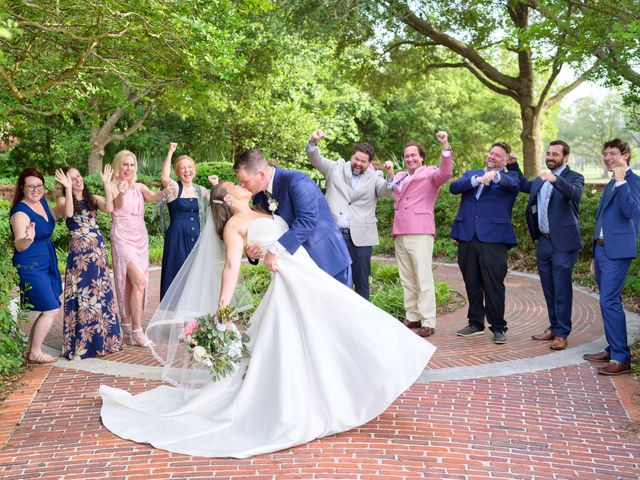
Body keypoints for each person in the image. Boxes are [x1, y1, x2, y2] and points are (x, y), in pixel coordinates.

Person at [99, 181, 434, 458]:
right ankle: (304, 405)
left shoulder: (263, 209)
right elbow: (230, 269)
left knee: (340, 325)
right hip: (292, 283)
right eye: (235, 186)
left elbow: (277, 240)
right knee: (316, 334)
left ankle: (359, 380)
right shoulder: (233, 226)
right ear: (228, 199)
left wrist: (257, 251)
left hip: (306, 273)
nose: (243, 186)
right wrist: (223, 314)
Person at [234, 148, 352, 286]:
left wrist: (274, 250)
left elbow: (307, 221)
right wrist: (253, 253)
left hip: (327, 259)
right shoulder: (259, 198)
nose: (241, 186)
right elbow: (267, 230)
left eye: (244, 181)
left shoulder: (297, 181)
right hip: (298, 268)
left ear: (260, 175)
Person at [507, 141, 584, 350]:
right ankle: (553, 327)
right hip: (544, 242)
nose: (550, 157)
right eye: (548, 153)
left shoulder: (574, 177)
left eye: (555, 154)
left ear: (565, 157)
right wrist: (513, 166)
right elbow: (525, 186)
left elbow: (575, 194)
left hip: (564, 243)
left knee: (561, 288)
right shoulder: (541, 179)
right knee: (549, 287)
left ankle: (562, 333)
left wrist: (555, 179)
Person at [306, 130, 393, 299]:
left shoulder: (375, 176)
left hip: (361, 238)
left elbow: (386, 191)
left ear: (369, 163)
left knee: (361, 282)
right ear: (351, 157)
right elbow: (315, 159)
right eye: (356, 159)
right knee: (333, 279)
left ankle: (361, 321)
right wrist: (313, 141)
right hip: (334, 234)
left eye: (363, 161)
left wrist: (390, 175)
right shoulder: (336, 167)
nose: (358, 163)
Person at [450, 142, 520, 344]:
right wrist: (476, 180)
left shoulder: (511, 177)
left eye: (498, 155)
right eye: (491, 153)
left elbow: (516, 185)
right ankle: (475, 323)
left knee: (493, 284)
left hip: (494, 238)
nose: (492, 157)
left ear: (505, 160)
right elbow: (454, 188)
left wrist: (496, 176)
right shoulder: (471, 174)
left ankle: (498, 326)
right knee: (471, 281)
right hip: (467, 235)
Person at [583, 139, 640, 376]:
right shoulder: (610, 183)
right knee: (607, 302)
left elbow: (633, 212)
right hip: (603, 250)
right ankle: (613, 347)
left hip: (618, 251)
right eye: (605, 154)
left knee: (609, 301)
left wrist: (620, 180)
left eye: (612, 153)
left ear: (625, 154)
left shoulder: (632, 181)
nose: (607, 158)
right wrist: (595, 254)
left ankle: (621, 358)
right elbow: (601, 220)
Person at [390, 132, 453, 338]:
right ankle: (413, 316)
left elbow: (445, 173)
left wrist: (445, 145)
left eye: (414, 155)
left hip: (420, 230)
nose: (410, 159)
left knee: (423, 277)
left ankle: (428, 321)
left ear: (421, 157)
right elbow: (390, 192)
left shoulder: (430, 173)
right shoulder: (399, 176)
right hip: (400, 230)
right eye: (407, 156)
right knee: (407, 278)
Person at [58, 165, 123, 360]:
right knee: (83, 294)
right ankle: (84, 344)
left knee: (99, 291)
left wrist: (106, 184)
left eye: (78, 176)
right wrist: (69, 189)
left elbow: (110, 208)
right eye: (72, 178)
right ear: (65, 183)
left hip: (97, 252)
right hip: (80, 255)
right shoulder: (63, 199)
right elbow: (69, 213)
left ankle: (105, 340)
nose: (77, 180)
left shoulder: (91, 198)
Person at [110, 150, 170, 348]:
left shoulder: (139, 187)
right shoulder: (111, 186)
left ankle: (126, 323)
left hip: (140, 237)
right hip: (122, 237)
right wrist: (121, 190)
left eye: (132, 165)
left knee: (133, 283)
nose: (128, 168)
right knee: (139, 281)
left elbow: (153, 197)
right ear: (118, 165)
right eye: (125, 164)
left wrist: (165, 192)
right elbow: (116, 205)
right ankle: (137, 330)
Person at [9, 168, 68, 363]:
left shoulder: (42, 202)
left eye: (39, 186)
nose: (35, 189)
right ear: (23, 188)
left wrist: (66, 190)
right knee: (51, 309)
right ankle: (35, 352)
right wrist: (27, 238)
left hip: (46, 260)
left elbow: (60, 214)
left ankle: (29, 350)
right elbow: (19, 242)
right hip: (30, 264)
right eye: (31, 186)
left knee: (48, 307)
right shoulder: (20, 212)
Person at [158, 142, 218, 299]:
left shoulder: (202, 191)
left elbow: (218, 202)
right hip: (177, 238)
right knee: (178, 273)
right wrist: (170, 151)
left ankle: (190, 319)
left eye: (189, 167)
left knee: (195, 275)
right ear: (178, 172)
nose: (187, 170)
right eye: (183, 168)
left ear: (194, 169)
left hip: (197, 238)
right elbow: (164, 177)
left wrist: (216, 186)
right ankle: (178, 318)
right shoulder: (175, 189)